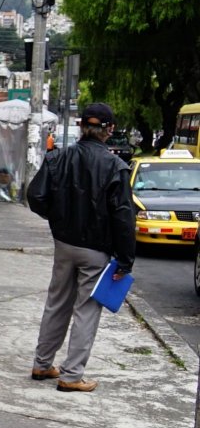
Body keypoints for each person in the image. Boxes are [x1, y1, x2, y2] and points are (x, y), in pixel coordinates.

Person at [27, 102, 135, 393]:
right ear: (109, 130)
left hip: (64, 243)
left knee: (57, 302)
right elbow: (124, 216)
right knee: (86, 309)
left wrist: (58, 218)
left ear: (80, 127)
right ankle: (72, 376)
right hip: (97, 250)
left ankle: (42, 363)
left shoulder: (57, 158)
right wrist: (125, 260)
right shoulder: (116, 166)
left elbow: (35, 196)